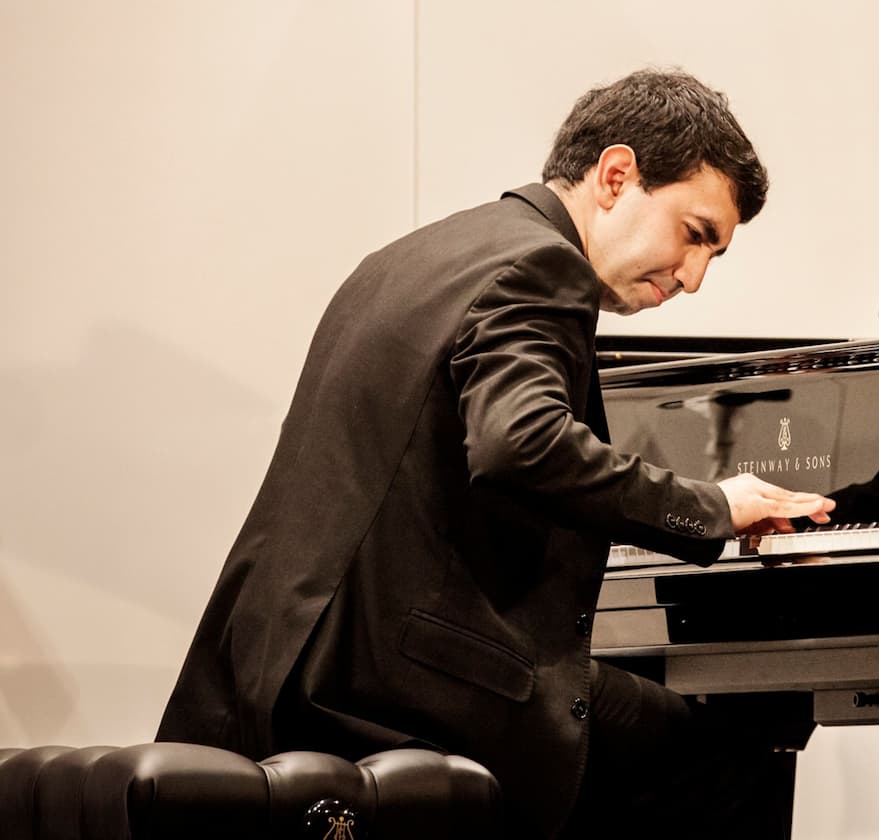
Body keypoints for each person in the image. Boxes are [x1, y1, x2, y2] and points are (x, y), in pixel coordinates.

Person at [155, 67, 835, 839]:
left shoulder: (412, 256)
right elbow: (522, 444)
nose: (694, 277)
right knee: (727, 759)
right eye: (695, 233)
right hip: (385, 695)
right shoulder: (542, 268)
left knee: (616, 710)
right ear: (616, 176)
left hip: (264, 674)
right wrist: (713, 506)